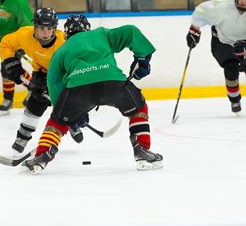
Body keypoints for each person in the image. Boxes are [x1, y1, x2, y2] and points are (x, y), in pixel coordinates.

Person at [20, 15, 163, 174]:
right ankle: (142, 151)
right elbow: (130, 31)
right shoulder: (101, 34)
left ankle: (42, 156)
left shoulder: (62, 50)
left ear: (66, 34)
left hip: (78, 90)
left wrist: (66, 114)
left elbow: (54, 84)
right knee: (138, 109)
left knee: (57, 122)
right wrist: (143, 58)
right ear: (87, 28)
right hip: (113, 83)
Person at [0, 7, 83, 159]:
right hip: (41, 71)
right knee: (36, 102)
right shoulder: (25, 34)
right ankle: (22, 137)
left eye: (49, 29)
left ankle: (72, 123)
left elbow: (76, 65)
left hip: (63, 74)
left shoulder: (64, 43)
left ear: (55, 29)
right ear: (35, 27)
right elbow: (6, 44)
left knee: (66, 103)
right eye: (41, 28)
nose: (44, 32)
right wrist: (11, 63)